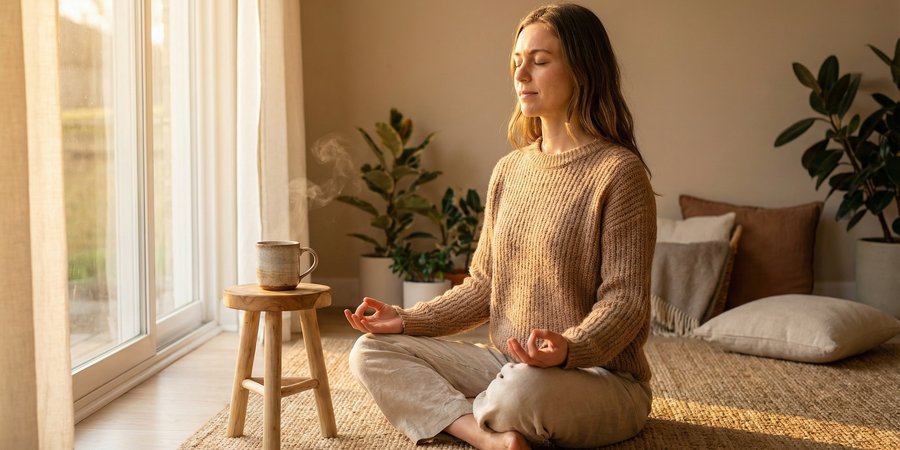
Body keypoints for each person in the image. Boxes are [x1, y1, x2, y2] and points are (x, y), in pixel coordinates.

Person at [345, 3, 655, 449]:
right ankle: (486, 436)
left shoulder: (619, 172)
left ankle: (463, 409)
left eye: (540, 61)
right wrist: (408, 320)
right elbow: (483, 286)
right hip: (507, 364)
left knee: (519, 393)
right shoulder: (509, 170)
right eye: (516, 61)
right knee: (371, 351)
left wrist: (569, 349)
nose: (521, 75)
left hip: (597, 377)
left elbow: (625, 302)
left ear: (583, 71)